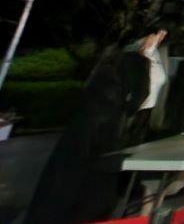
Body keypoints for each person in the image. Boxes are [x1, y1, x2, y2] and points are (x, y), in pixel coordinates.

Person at [26, 22, 171, 224]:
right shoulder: (127, 61)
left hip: (118, 128)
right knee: (80, 187)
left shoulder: (145, 59)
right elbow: (134, 97)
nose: (159, 39)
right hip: (101, 131)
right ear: (144, 37)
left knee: (96, 188)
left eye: (162, 36)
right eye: (157, 35)